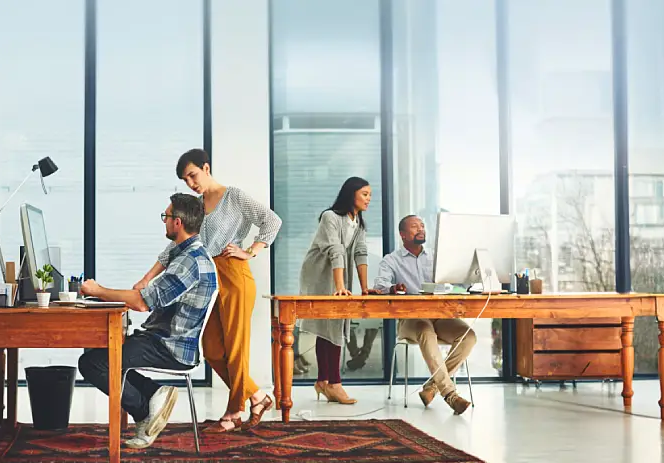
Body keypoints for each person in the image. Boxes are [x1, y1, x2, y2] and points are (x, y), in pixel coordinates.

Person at [134, 149, 281, 433]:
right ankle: (258, 397)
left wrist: (251, 251)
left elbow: (272, 221)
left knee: (236, 348)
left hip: (234, 274)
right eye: (185, 179)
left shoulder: (234, 196)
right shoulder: (197, 207)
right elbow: (175, 246)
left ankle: (235, 411)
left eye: (193, 174)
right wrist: (146, 279)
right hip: (207, 279)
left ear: (206, 167)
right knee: (212, 349)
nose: (190, 182)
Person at [78, 193, 218, 449]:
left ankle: (146, 410)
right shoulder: (188, 252)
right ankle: (155, 396)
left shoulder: (190, 262)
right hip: (164, 339)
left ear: (178, 222)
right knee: (103, 356)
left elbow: (143, 302)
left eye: (166, 216)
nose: (163, 221)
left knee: (92, 363)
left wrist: (98, 291)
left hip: (170, 347)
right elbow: (147, 294)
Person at [372, 215, 475, 415]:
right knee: (425, 330)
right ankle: (450, 395)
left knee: (468, 336)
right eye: (414, 226)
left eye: (422, 225)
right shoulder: (391, 260)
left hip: (440, 316)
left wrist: (474, 280)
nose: (420, 229)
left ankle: (431, 388)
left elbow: (458, 281)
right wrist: (393, 287)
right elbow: (379, 286)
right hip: (410, 320)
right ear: (402, 234)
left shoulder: (437, 257)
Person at [298, 177, 372, 405]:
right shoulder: (330, 217)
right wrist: (340, 287)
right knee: (328, 325)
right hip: (320, 272)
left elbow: (360, 252)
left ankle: (324, 381)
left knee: (334, 325)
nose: (369, 199)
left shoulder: (358, 221)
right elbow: (335, 250)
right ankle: (334, 384)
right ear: (352, 195)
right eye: (365, 194)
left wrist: (365, 288)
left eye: (370, 195)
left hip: (339, 273)